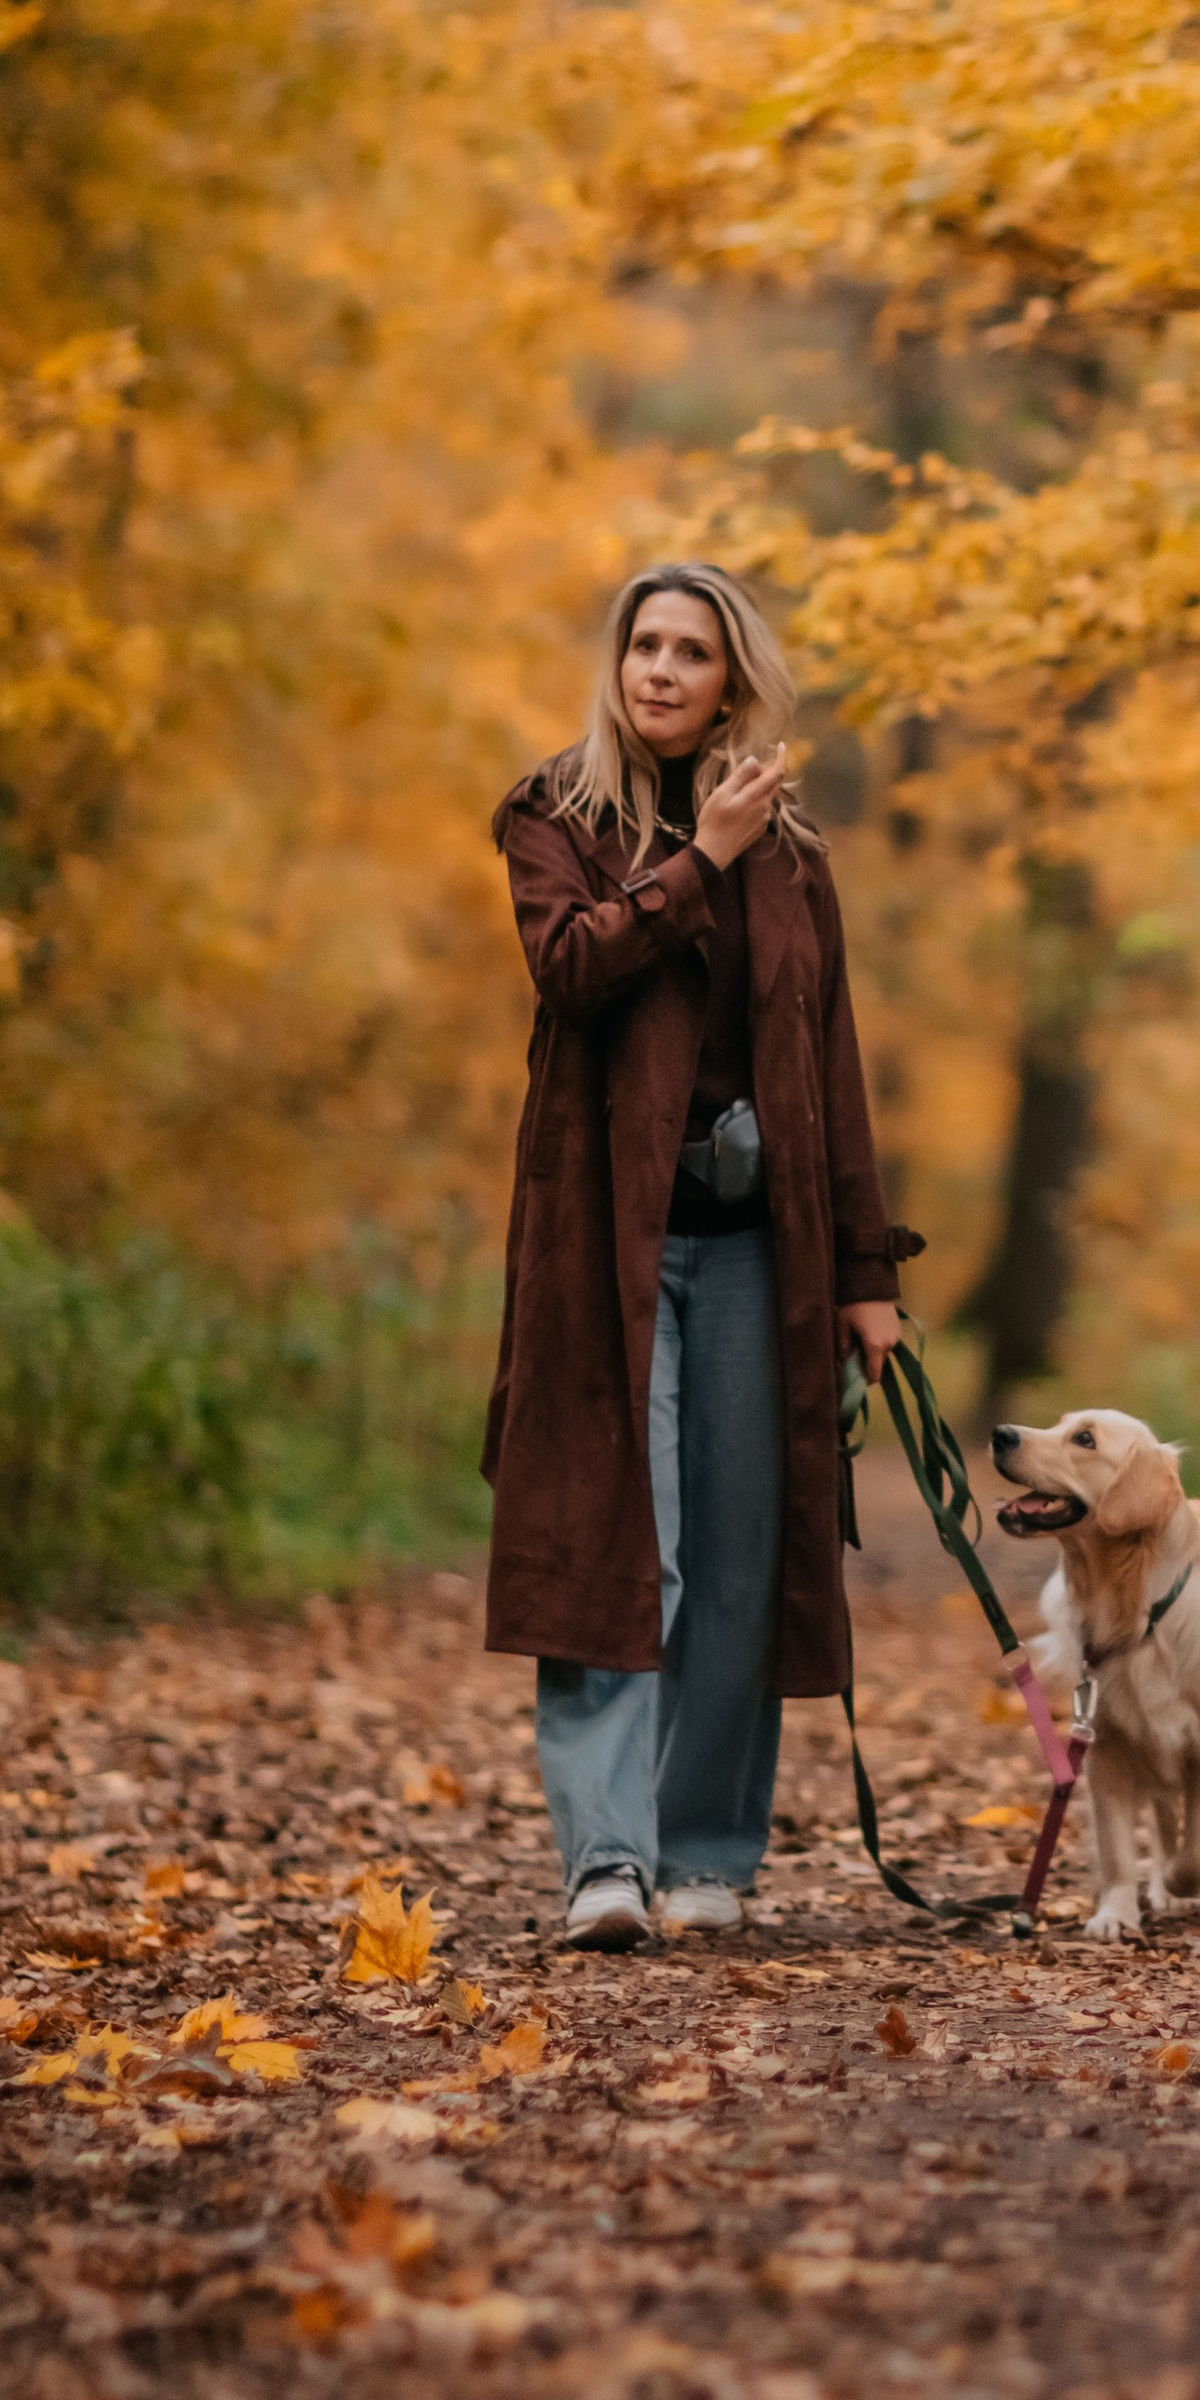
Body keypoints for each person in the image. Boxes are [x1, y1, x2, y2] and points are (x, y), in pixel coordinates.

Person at [482, 563, 908, 1949]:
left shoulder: (795, 855)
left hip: (752, 1250)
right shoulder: (555, 814)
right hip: (607, 1244)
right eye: (643, 645)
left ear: (734, 682)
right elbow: (572, 968)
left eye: (692, 652)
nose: (661, 670)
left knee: (737, 1554)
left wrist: (865, 1274)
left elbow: (829, 1065)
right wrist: (698, 861)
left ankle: (710, 1851)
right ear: (617, 664)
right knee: (620, 1543)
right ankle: (607, 1858)